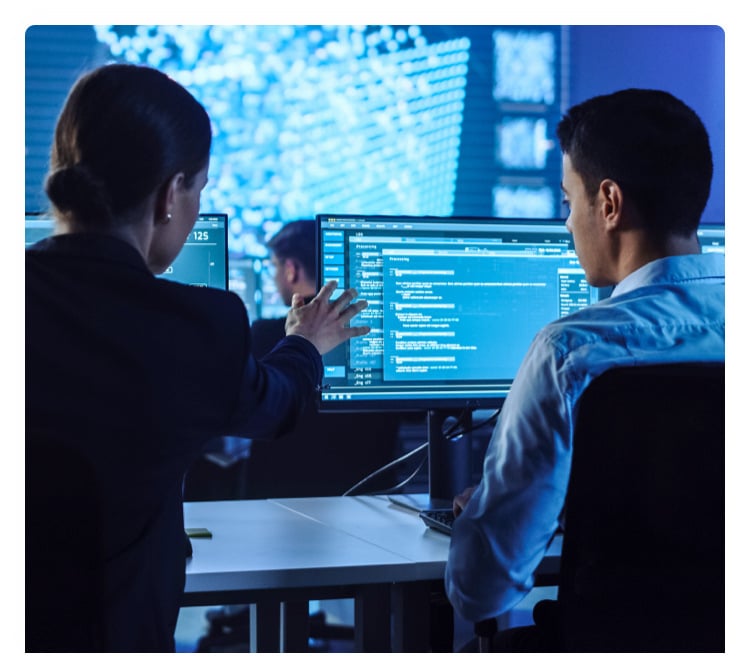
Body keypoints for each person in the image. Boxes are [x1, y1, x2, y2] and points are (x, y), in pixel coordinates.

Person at [25, 63, 370, 652]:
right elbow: (275, 407)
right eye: (199, 191)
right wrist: (306, 344)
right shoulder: (195, 324)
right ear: (169, 194)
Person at [444, 88, 724, 649]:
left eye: (569, 201)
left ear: (610, 202)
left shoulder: (569, 352)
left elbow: (482, 590)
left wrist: (493, 510)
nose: (568, 222)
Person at [242, 219, 402, 498]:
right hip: (370, 498)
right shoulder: (374, 334)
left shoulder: (265, 335)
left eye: (274, 267)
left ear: (291, 270)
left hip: (276, 500)